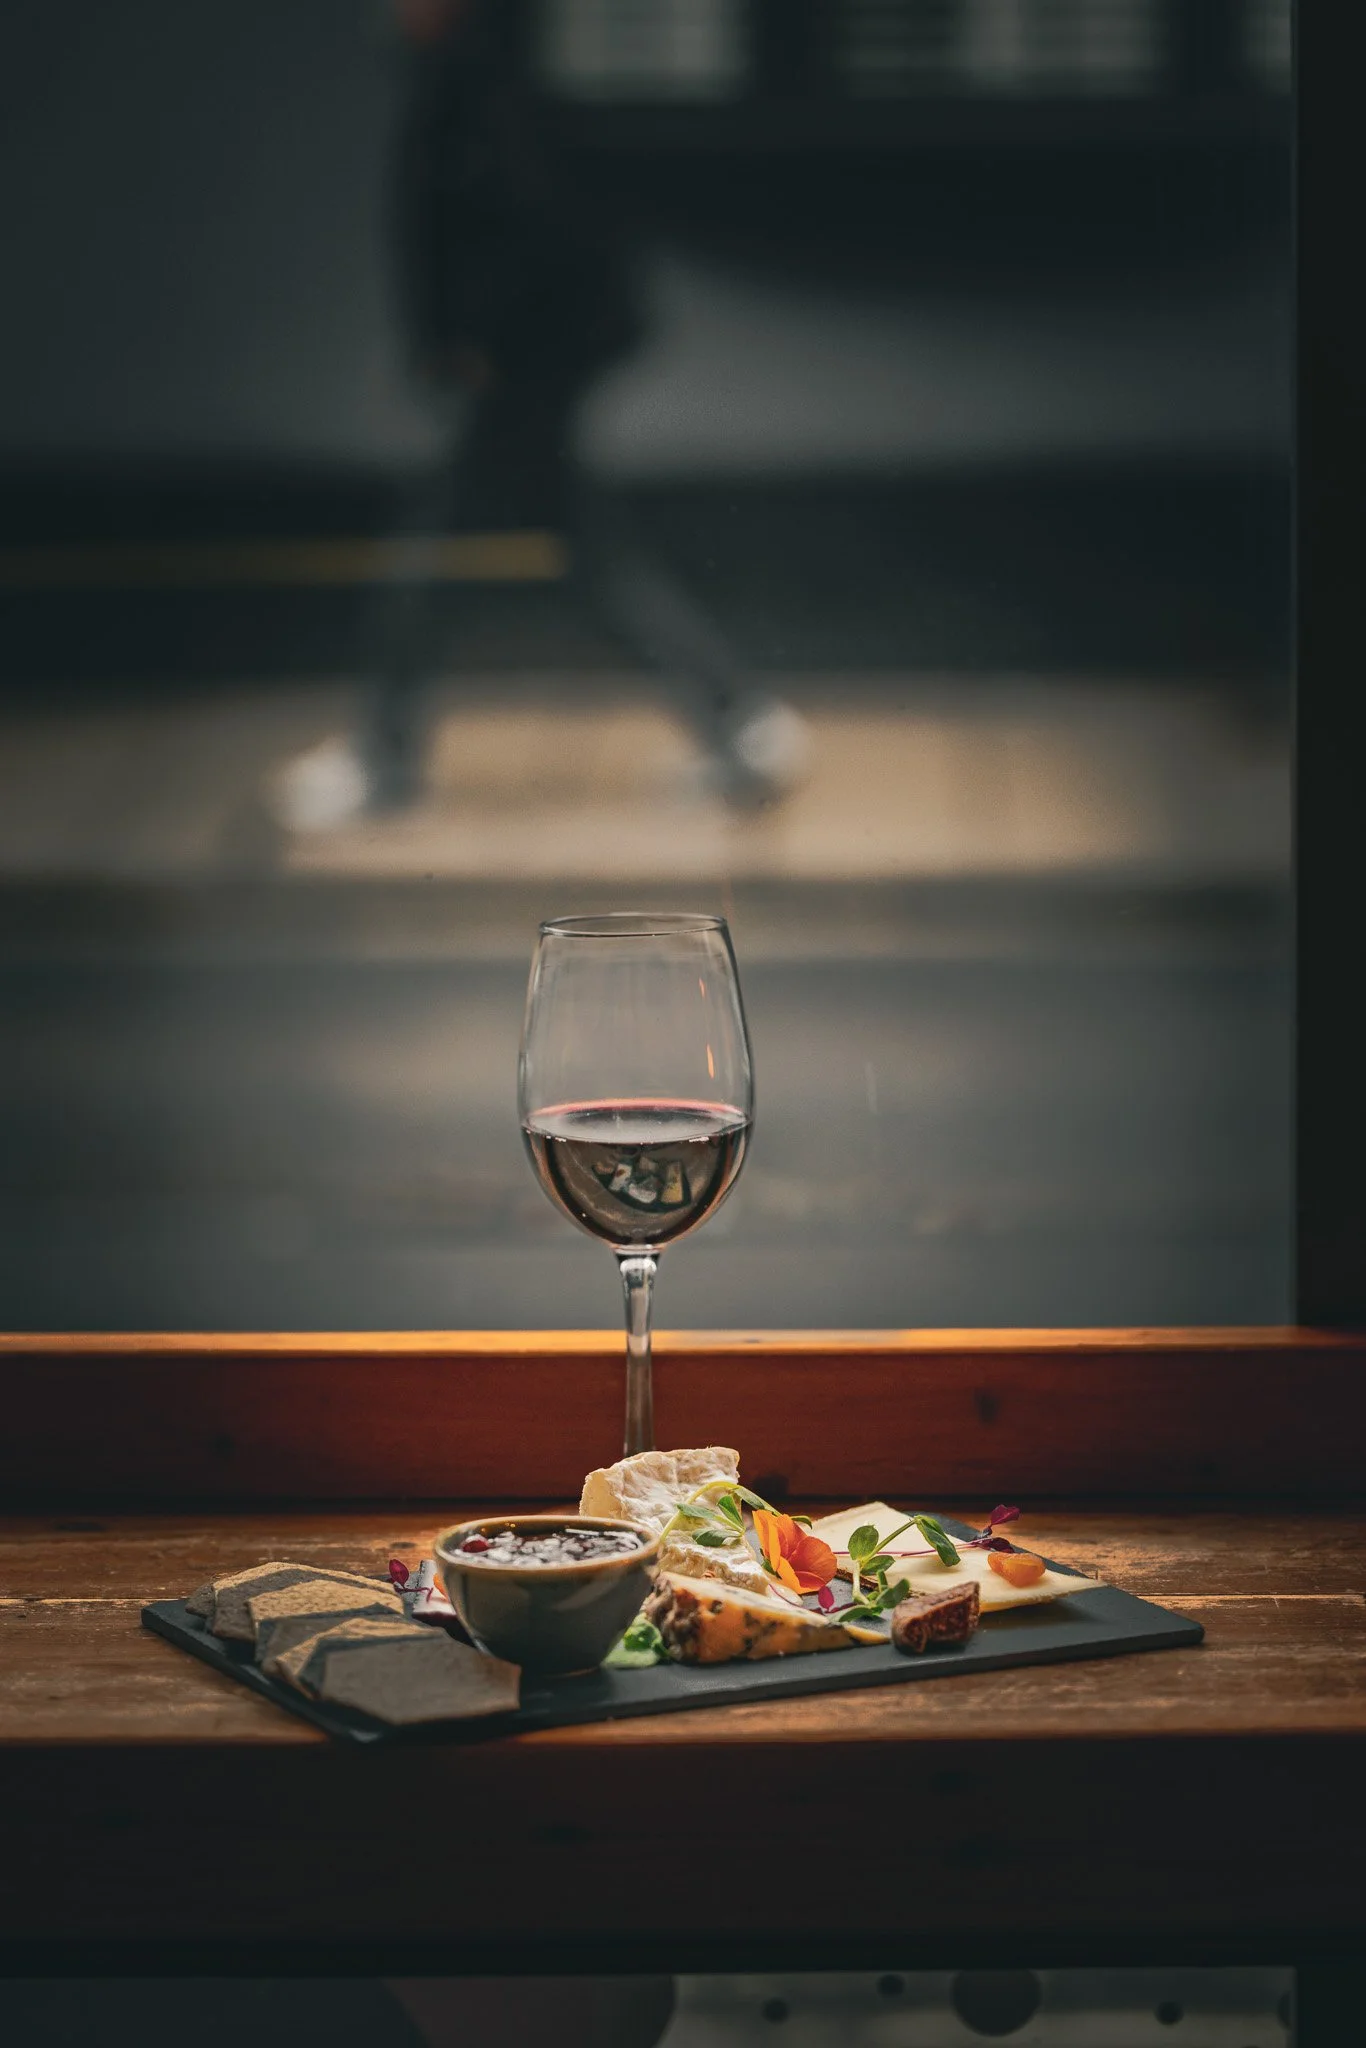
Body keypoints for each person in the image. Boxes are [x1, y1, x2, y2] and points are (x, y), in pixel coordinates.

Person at [273, 0, 808, 831]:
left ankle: (384, 758)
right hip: (525, 371)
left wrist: (475, 346)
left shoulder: (481, 86)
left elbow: (516, 232)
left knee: (431, 559)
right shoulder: (479, 78)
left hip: (519, 373)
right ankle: (741, 721)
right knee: (589, 557)